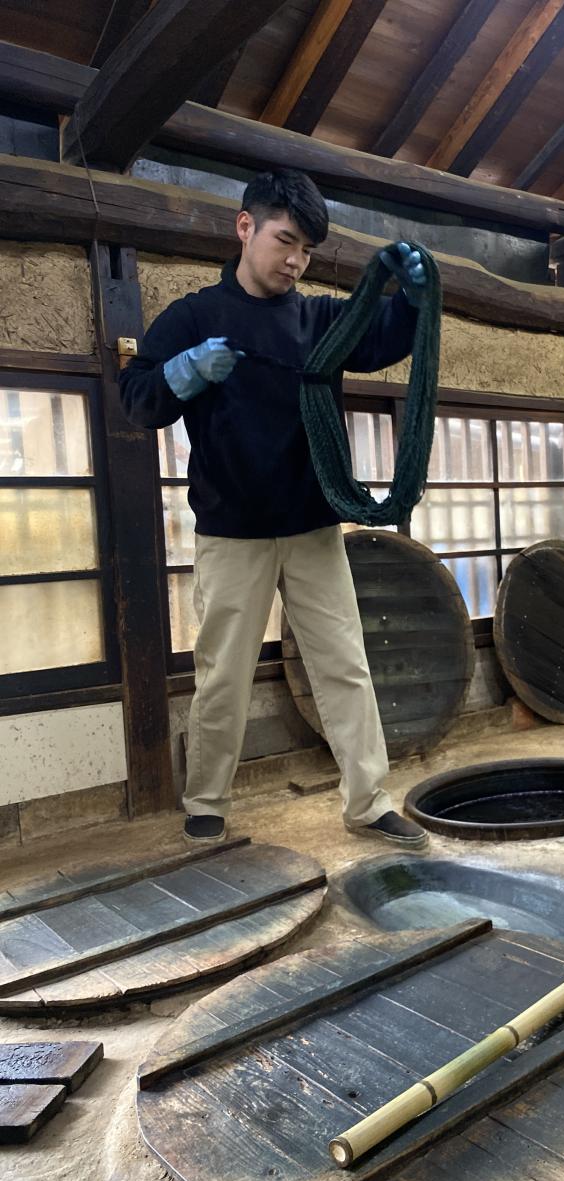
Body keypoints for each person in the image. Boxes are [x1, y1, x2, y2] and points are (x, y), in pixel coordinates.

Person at [120, 168, 430, 850]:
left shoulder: (319, 318)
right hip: (232, 530)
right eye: (285, 241)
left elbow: (379, 338)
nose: (295, 260)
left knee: (344, 665)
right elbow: (136, 397)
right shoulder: (195, 317)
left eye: (307, 251)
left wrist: (409, 298)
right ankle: (205, 802)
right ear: (245, 228)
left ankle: (368, 801)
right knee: (223, 675)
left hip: (314, 525)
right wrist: (183, 371)